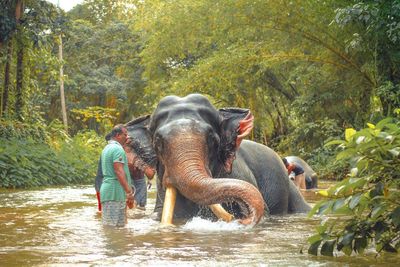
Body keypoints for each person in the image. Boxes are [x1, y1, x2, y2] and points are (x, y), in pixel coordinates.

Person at [100, 124, 135, 227]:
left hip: (112, 192)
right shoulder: (117, 149)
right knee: (113, 227)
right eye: (125, 135)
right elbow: (119, 171)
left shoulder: (107, 148)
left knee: (117, 227)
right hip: (114, 192)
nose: (127, 137)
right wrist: (129, 192)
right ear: (118, 135)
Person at [94, 132, 112, 213]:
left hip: (100, 184)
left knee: (102, 210)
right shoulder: (111, 150)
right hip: (103, 184)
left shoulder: (106, 150)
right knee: (104, 210)